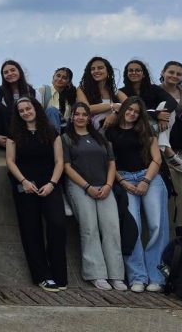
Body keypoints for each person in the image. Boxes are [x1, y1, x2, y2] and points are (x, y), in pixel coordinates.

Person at [105, 97, 168, 293]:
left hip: (148, 176)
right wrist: (122, 182)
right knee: (133, 228)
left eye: (136, 111)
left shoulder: (146, 130)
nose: (132, 114)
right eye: (129, 110)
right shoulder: (110, 132)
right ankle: (137, 277)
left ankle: (157, 277)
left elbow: (156, 158)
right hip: (123, 178)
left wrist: (146, 181)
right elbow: (109, 162)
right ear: (122, 109)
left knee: (157, 225)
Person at [5, 97, 67, 292]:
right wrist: (23, 181)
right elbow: (10, 161)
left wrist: (52, 183)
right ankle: (42, 276)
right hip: (25, 186)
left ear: (35, 108)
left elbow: (59, 161)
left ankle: (59, 274)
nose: (25, 112)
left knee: (57, 224)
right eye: (21, 110)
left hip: (50, 184)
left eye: (28, 108)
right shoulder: (14, 134)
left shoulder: (51, 132)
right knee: (31, 231)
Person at [61, 103, 125, 291]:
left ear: (89, 118)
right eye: (77, 114)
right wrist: (86, 186)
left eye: (84, 114)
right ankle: (96, 273)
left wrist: (108, 185)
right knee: (90, 229)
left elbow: (111, 163)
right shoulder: (65, 139)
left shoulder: (101, 138)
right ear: (72, 117)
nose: (80, 117)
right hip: (80, 187)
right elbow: (66, 167)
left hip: (104, 186)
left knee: (112, 229)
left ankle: (116, 275)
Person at [120, 59, 182, 174]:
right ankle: (168, 153)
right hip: (136, 123)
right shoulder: (121, 92)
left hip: (154, 125)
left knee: (166, 108)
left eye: (138, 70)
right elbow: (131, 109)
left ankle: (164, 150)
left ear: (143, 74)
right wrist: (157, 115)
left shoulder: (153, 89)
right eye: (130, 70)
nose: (134, 73)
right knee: (141, 110)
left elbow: (172, 102)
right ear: (126, 74)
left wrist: (162, 117)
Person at [0, 59, 33, 149]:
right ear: (3, 76)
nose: (10, 74)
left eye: (13, 70)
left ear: (19, 71)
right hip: (3, 137)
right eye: (6, 72)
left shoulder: (32, 92)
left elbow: (38, 117)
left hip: (25, 135)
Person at [77, 56, 127, 129]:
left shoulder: (115, 92)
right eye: (93, 69)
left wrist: (115, 114)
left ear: (108, 71)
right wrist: (113, 106)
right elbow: (86, 109)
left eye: (100, 68)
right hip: (91, 131)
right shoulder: (82, 89)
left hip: (113, 131)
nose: (96, 71)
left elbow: (130, 106)